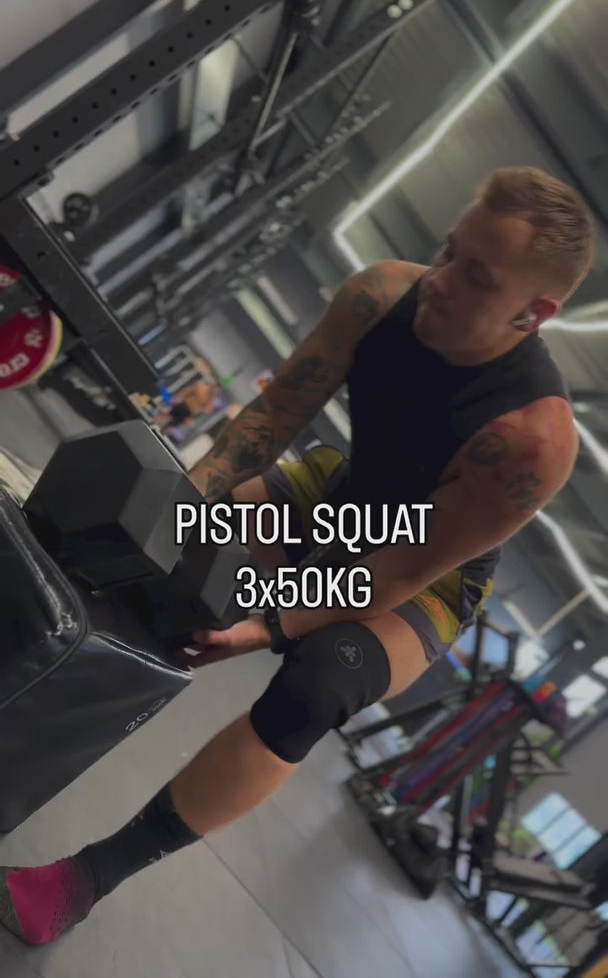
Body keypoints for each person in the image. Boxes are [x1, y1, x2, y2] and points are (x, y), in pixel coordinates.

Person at [0, 167, 594, 946]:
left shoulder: (530, 444)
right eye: (448, 251)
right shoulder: (382, 292)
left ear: (534, 312)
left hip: (425, 573)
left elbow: (402, 570)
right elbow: (273, 416)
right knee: (158, 557)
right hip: (336, 490)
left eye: (476, 276)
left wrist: (267, 624)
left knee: (315, 688)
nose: (442, 281)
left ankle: (86, 879)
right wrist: (166, 519)